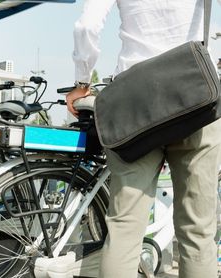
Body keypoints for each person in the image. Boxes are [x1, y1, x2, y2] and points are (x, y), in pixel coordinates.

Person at [66, 0, 221, 277]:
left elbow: (86, 25)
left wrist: (82, 83)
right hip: (195, 97)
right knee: (197, 232)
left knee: (124, 228)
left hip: (133, 105)